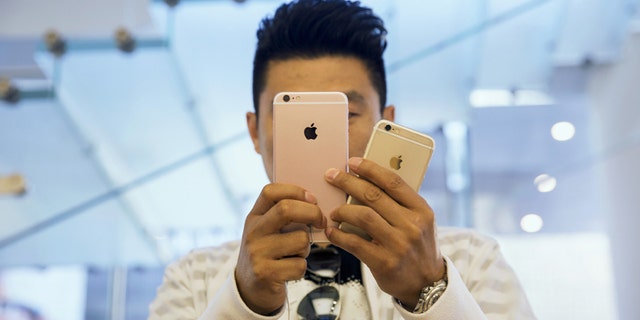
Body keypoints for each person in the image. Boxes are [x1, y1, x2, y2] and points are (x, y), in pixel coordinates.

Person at [149, 0, 536, 319]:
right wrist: (242, 302)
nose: (321, 136)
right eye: (293, 117)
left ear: (387, 122)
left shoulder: (468, 261)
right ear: (255, 132)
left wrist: (429, 291)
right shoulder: (195, 278)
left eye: (345, 114)